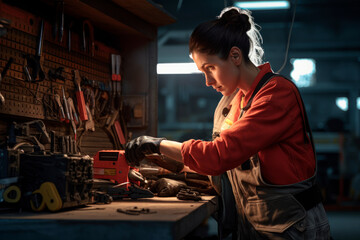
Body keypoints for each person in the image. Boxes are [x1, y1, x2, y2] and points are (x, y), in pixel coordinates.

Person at [125, 6, 331, 240]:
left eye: (210, 68)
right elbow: (225, 168)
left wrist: (157, 144)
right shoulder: (235, 101)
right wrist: (169, 169)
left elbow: (219, 155)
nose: (207, 81)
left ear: (235, 56)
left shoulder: (276, 95)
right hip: (257, 224)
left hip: (292, 227)